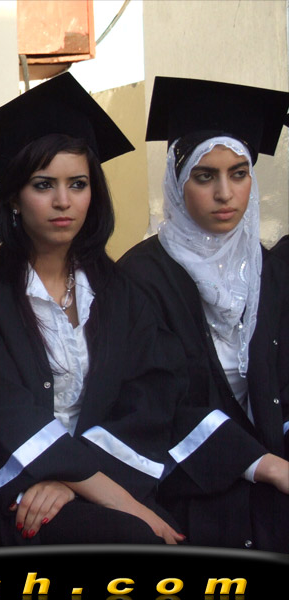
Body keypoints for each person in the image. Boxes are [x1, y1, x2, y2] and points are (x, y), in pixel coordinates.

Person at [0, 73, 186, 546]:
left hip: (108, 477)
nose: (63, 202)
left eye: (78, 184)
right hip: (23, 494)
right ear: (14, 198)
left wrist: (76, 483)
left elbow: (150, 399)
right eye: (43, 185)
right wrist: (109, 496)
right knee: (133, 537)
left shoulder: (120, 291)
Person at [118, 76, 289, 552]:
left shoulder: (269, 270)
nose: (225, 193)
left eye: (239, 173)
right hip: (189, 476)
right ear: (177, 183)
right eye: (205, 176)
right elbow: (154, 403)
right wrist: (264, 465)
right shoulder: (140, 278)